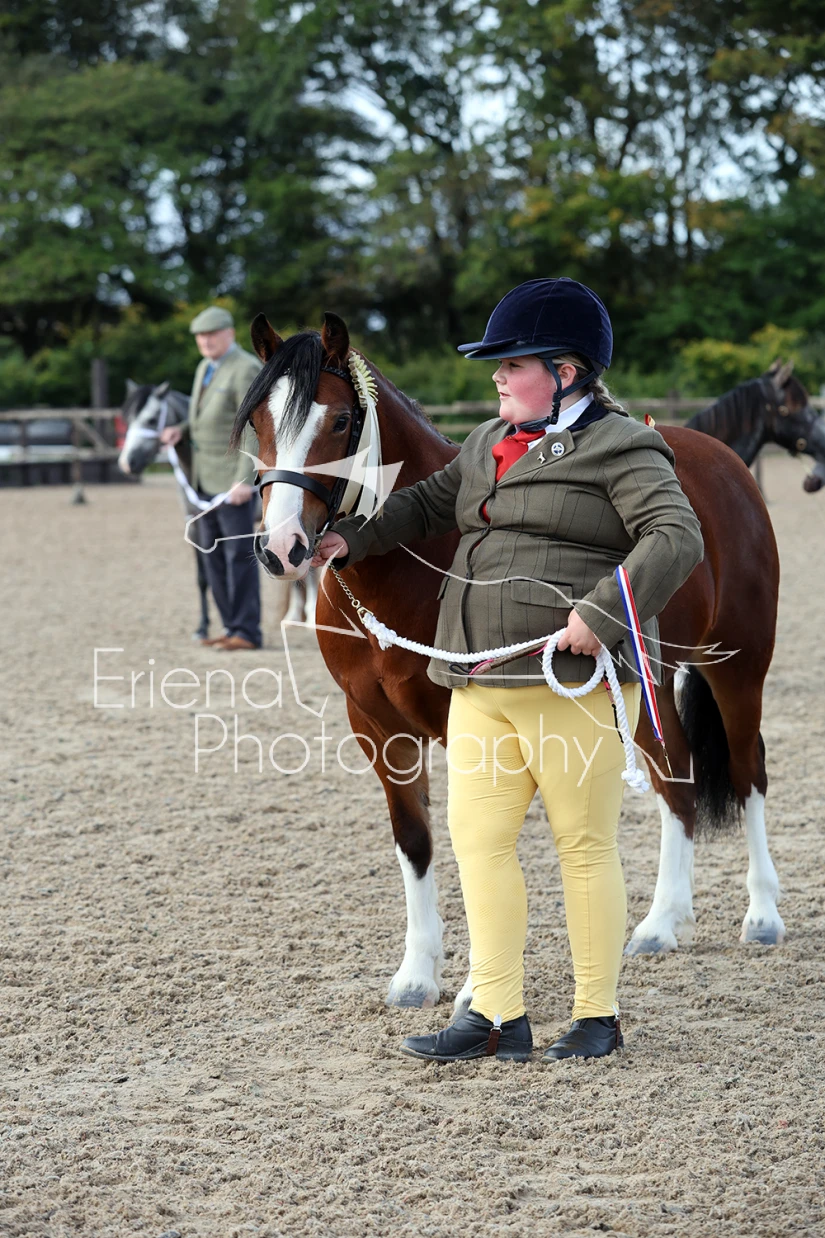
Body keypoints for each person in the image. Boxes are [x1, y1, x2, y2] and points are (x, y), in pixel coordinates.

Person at [312, 278, 705, 1063]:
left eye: (512, 362)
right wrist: (352, 540)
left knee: (581, 845)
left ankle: (596, 1016)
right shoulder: (487, 440)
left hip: (569, 681)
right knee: (479, 842)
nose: (496, 375)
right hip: (479, 681)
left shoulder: (620, 446)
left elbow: (675, 535)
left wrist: (602, 612)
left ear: (565, 371)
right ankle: (495, 1014)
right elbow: (425, 505)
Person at [161, 306, 263, 651]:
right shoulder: (204, 367)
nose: (205, 341)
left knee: (237, 556)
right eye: (200, 337)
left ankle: (247, 631)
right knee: (211, 555)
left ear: (229, 334)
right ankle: (230, 626)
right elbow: (203, 417)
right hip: (202, 482)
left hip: (232, 483)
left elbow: (255, 427)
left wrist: (245, 479)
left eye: (211, 334)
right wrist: (181, 429)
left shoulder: (245, 368)